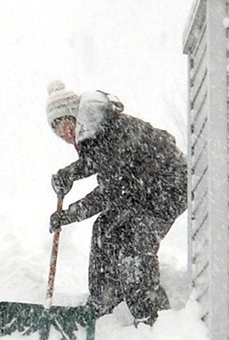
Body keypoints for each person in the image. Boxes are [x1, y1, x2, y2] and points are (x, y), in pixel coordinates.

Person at [45, 81, 188, 324]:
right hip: (141, 190)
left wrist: (71, 214)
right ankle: (104, 300)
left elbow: (111, 191)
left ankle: (151, 316)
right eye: (61, 136)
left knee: (135, 241)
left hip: (167, 186)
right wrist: (69, 173)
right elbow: (97, 162)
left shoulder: (112, 130)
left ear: (75, 116)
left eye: (67, 129)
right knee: (105, 228)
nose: (67, 138)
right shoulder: (95, 131)